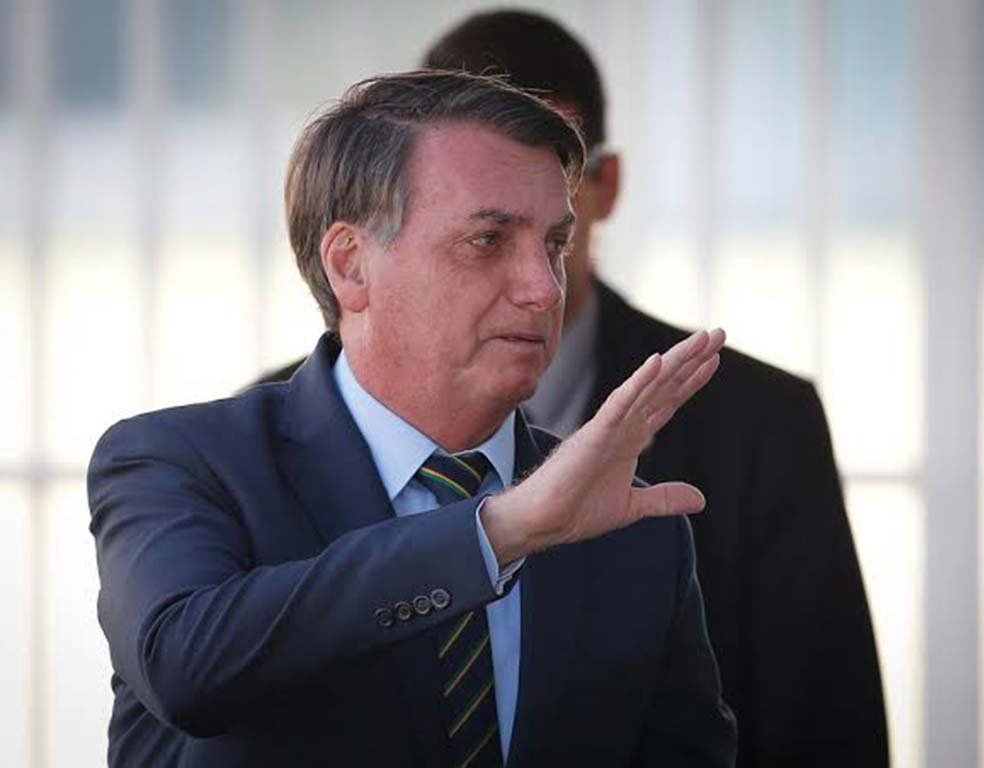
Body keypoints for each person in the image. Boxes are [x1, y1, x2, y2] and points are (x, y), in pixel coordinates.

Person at [256, 10, 889, 767]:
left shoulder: (759, 422)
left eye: (551, 222)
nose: (537, 285)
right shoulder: (256, 445)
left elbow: (826, 730)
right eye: (486, 230)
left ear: (603, 186)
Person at [89, 71, 737, 766]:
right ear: (351, 266)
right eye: (488, 240)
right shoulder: (179, 461)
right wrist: (499, 533)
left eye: (554, 244)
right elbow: (184, 667)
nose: (545, 289)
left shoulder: (633, 528)